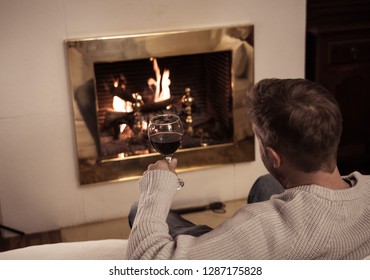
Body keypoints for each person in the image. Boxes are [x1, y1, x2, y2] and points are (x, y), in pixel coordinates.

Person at [127, 78, 370, 259]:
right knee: (265, 183)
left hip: (266, 244)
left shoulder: (262, 225)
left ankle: (213, 242)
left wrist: (155, 188)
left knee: (139, 210)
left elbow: (148, 261)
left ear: (274, 156)